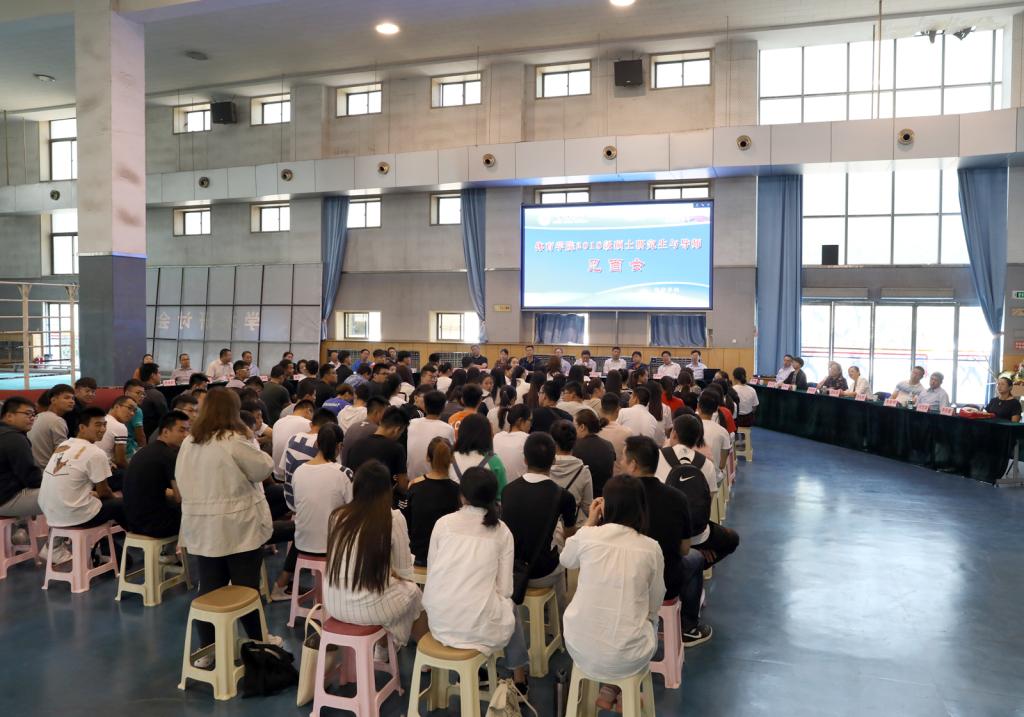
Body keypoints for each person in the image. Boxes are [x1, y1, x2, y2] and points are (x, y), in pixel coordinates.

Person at [176, 389, 281, 655]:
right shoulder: (234, 439)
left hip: (201, 526)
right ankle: (259, 643)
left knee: (210, 587)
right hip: (237, 526)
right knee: (246, 588)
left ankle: (207, 649)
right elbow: (263, 468)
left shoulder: (190, 441)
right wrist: (250, 438)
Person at [422, 466, 530, 694]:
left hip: (439, 622)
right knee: (509, 607)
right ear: (493, 497)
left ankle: (480, 672)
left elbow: (433, 572)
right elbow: (505, 590)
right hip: (479, 628)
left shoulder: (443, 524)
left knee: (478, 601)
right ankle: (519, 679)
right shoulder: (502, 531)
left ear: (462, 495)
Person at [561, 475, 665, 700]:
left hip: (579, 646)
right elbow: (656, 600)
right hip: (629, 656)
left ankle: (610, 688)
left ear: (604, 506)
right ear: (641, 507)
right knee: (648, 619)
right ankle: (623, 692)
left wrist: (590, 522)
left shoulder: (588, 536)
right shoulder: (650, 548)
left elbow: (566, 560)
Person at [323, 460, 426, 648]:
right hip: (366, 609)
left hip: (333, 603)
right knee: (414, 594)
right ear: (387, 490)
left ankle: (385, 647)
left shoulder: (337, 516)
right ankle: (419, 653)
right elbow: (405, 572)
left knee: (390, 591)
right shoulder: (392, 518)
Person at [624, 435, 711, 646]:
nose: (620, 463)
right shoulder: (677, 498)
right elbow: (684, 549)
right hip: (664, 581)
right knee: (696, 558)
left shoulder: (618, 496)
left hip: (624, 577)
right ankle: (688, 628)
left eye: (623, 459)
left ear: (633, 464)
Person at [500, 433, 577, 612]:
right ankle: (558, 616)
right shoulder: (564, 496)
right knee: (561, 553)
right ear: (553, 461)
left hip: (511, 569)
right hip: (543, 571)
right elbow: (570, 536)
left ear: (525, 460)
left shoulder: (508, 490)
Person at [39, 406, 126, 531]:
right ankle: (136, 538)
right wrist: (115, 499)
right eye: (97, 425)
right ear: (82, 428)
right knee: (123, 504)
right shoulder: (96, 452)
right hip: (76, 516)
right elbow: (104, 492)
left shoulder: (64, 445)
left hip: (50, 515)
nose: (103, 429)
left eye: (104, 425)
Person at [290, 423, 353, 574]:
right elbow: (354, 509)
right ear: (340, 446)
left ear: (317, 444)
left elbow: (296, 506)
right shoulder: (344, 473)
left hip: (302, 543)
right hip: (333, 546)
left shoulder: (298, 471)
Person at [122, 410, 189, 538]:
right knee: (198, 517)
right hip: (154, 525)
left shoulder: (144, 451)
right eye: (181, 430)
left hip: (131, 521)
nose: (186, 435)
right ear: (165, 432)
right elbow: (179, 497)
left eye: (187, 430)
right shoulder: (168, 455)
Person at [404, 436, 460, 566]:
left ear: (428, 458)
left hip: (418, 557)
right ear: (452, 458)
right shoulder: (458, 491)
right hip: (445, 558)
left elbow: (407, 524)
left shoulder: (414, 487)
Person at [346, 407, 411, 496]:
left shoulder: (357, 444)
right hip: (380, 500)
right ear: (397, 430)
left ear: (381, 422)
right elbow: (402, 486)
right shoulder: (397, 448)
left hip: (355, 496)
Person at [0, 396, 43, 519]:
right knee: (65, 496)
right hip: (6, 500)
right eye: (27, 414)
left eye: (34, 415)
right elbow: (30, 477)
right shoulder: (14, 438)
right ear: (9, 416)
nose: (32, 418)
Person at [548, 420, 593, 526]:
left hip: (547, 525)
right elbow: (587, 507)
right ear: (574, 441)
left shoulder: (544, 467)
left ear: (553, 442)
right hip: (573, 526)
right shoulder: (583, 471)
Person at [450, 413, 507, 494]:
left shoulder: (449, 458)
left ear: (461, 433)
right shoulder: (494, 461)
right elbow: (501, 495)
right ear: (487, 435)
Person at [406, 391, 455, 479]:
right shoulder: (447, 429)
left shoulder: (412, 423)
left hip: (411, 478)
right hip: (436, 478)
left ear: (425, 406)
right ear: (443, 408)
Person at [572, 410, 616, 498]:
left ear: (582, 427)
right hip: (604, 496)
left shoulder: (574, 447)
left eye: (574, 425)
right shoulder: (608, 445)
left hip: (584, 497)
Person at [28, 384, 73, 469]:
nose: (71, 401)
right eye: (66, 398)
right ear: (53, 400)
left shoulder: (39, 416)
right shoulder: (57, 421)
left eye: (72, 398)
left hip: (33, 468)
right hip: (46, 471)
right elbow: (61, 453)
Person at [271, 399, 313, 481]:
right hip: (291, 477)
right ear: (308, 411)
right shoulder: (308, 424)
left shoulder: (278, 422)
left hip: (276, 473)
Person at [596, 393, 634, 473]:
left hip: (598, 476)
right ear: (618, 409)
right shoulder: (627, 432)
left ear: (601, 410)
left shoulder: (594, 430)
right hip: (619, 477)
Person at [493, 404, 531, 482]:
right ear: (520, 421)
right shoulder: (528, 439)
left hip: (497, 486)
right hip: (519, 487)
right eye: (530, 420)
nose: (531, 424)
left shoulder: (497, 437)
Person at [97, 396, 136, 474]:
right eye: (129, 408)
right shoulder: (119, 426)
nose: (132, 413)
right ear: (117, 406)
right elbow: (120, 461)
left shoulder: (102, 419)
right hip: (103, 470)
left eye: (134, 411)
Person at [697, 391, 732, 472]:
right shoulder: (723, 431)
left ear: (698, 406)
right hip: (714, 476)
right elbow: (722, 465)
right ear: (716, 409)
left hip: (690, 475)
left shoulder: (689, 426)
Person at [139, 363, 169, 438]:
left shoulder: (135, 392)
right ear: (153, 375)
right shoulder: (156, 395)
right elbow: (166, 417)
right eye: (159, 373)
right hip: (152, 436)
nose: (160, 375)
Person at [122, 379, 148, 459]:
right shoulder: (136, 410)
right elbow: (140, 436)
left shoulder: (117, 405)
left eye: (143, 394)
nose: (142, 396)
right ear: (127, 393)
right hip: (128, 453)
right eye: (138, 393)